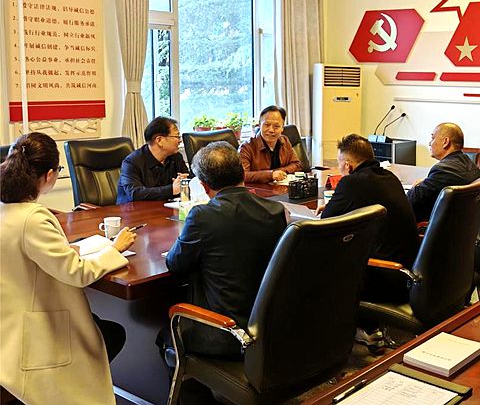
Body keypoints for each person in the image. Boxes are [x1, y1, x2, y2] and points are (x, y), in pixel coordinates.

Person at [1, 132, 136, 405]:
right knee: (108, 336)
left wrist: (64, 251)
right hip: (34, 332)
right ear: (50, 174)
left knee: (105, 330)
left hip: (10, 320)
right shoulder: (33, 218)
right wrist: (115, 249)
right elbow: (77, 273)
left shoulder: (6, 209)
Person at [164, 141, 287, 357]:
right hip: (268, 327)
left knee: (164, 335)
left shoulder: (202, 216)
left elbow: (175, 265)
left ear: (204, 186)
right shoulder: (275, 211)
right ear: (242, 173)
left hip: (224, 332)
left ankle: (192, 378)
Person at [320, 134, 419, 352]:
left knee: (321, 266)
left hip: (385, 278)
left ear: (348, 165)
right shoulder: (389, 178)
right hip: (408, 272)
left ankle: (344, 335)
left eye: (339, 163)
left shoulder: (351, 183)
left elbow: (325, 223)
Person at [406, 122, 480, 223]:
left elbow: (410, 202)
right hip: (461, 225)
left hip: (430, 227)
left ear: (445, 142)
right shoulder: (471, 165)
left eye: (433, 138)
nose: (429, 143)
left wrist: (415, 187)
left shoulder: (443, 170)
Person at [117, 116, 189, 204]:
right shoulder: (132, 162)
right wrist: (171, 190)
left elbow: (189, 180)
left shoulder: (176, 157)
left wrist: (186, 181)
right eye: (177, 136)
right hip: (134, 210)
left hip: (166, 208)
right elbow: (135, 193)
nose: (180, 141)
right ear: (159, 140)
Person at [239, 105, 301, 183]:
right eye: (267, 125)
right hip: (259, 189)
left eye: (276, 126)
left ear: (282, 128)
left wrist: (278, 172)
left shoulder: (284, 141)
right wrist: (270, 175)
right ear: (259, 125)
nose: (271, 130)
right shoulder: (246, 147)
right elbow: (242, 175)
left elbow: (297, 164)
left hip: (281, 187)